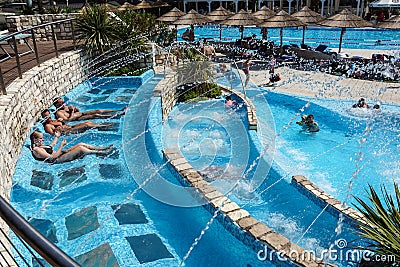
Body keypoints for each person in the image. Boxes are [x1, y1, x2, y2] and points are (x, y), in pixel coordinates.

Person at [30, 130, 113, 164]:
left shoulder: (41, 146)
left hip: (60, 154)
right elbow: (52, 157)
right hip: (57, 159)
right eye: (41, 138)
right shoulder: (37, 149)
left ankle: (103, 148)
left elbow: (51, 145)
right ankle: (102, 153)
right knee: (80, 149)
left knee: (80, 144)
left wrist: (56, 136)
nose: (43, 140)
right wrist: (61, 146)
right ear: (35, 139)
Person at [41, 109, 113, 135]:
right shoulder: (48, 126)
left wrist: (61, 121)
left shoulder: (54, 120)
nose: (49, 118)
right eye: (46, 117)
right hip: (68, 131)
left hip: (71, 127)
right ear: (44, 118)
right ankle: (104, 126)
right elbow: (52, 135)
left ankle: (100, 127)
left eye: (49, 115)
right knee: (87, 125)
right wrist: (57, 130)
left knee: (88, 123)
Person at [53, 97, 122, 122]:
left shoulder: (65, 107)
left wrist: (76, 110)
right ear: (57, 105)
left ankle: (119, 111)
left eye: (63, 101)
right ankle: (116, 115)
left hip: (81, 114)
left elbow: (75, 112)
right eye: (61, 102)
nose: (64, 103)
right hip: (78, 118)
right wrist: (71, 111)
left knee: (98, 110)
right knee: (95, 115)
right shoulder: (59, 112)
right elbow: (68, 120)